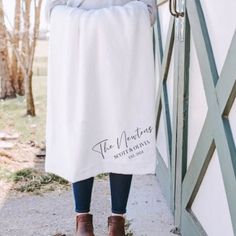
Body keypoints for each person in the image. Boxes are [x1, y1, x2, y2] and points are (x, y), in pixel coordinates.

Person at [45, 1, 157, 235]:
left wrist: (100, 22)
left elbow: (148, 10)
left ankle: (118, 221)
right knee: (82, 127)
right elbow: (53, 11)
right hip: (79, 57)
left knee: (122, 127)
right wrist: (92, 23)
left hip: (123, 55)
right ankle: (82, 219)